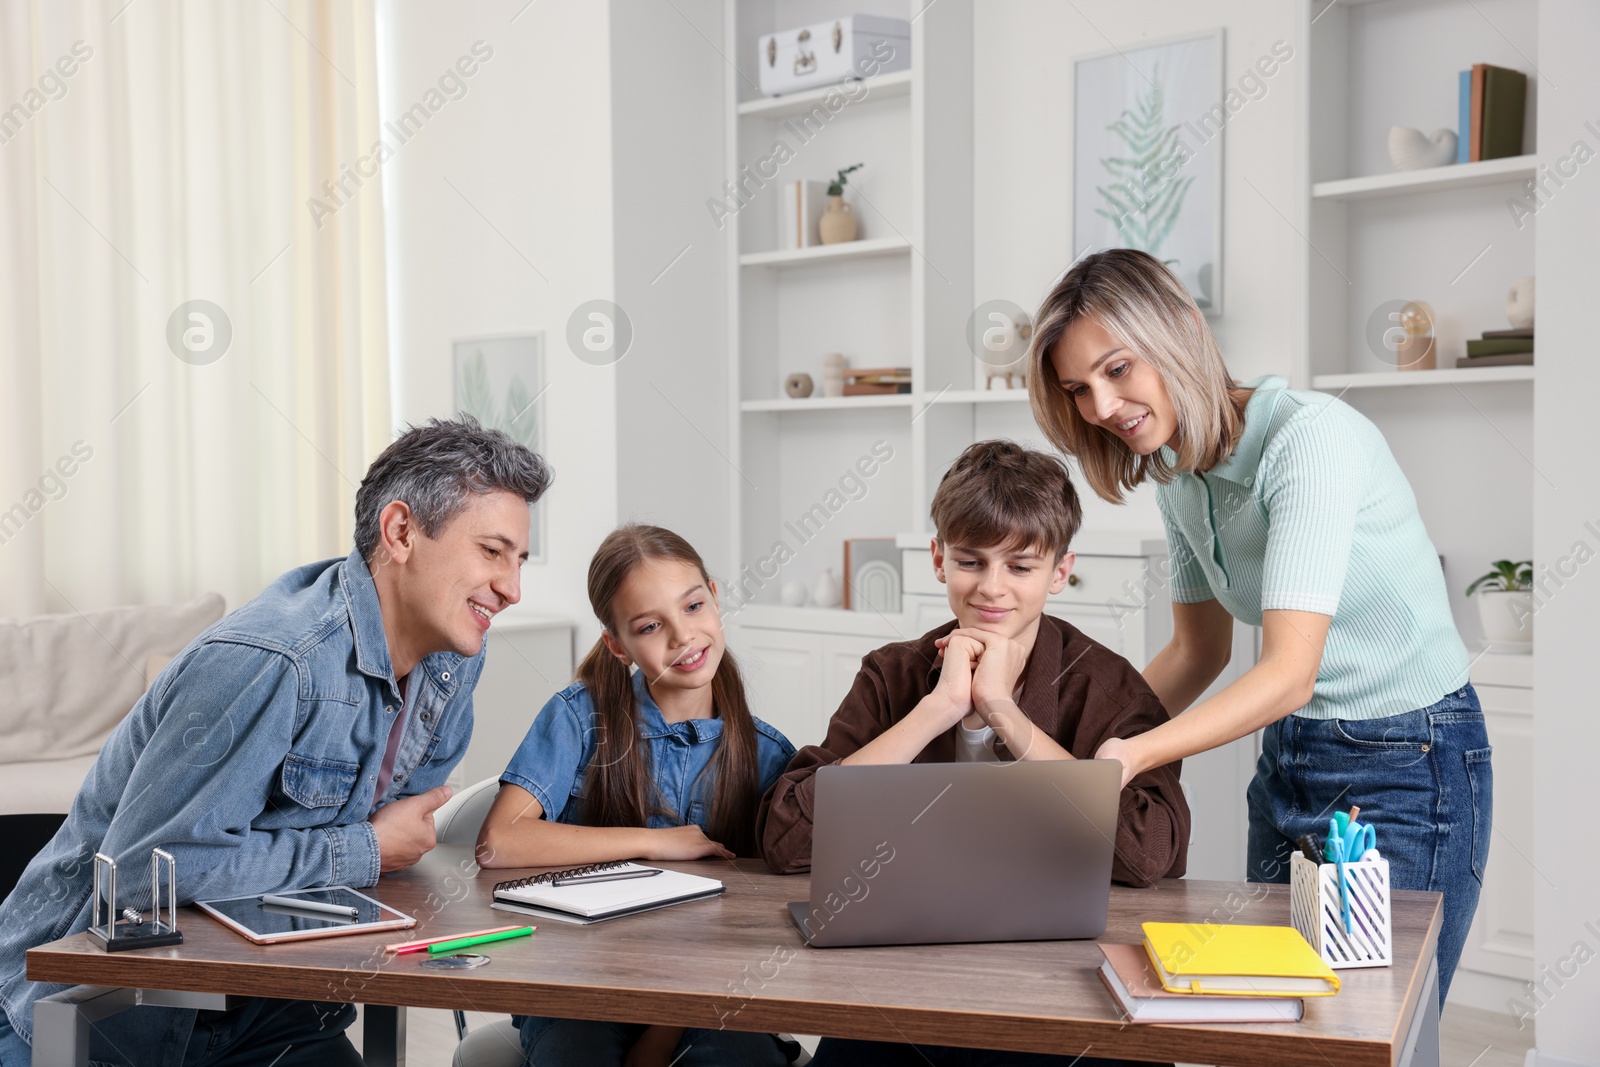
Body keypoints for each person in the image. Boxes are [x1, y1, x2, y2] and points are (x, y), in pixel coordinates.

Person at [0, 415, 552, 1066]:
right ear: (401, 531)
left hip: (272, 1006)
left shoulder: (452, 660)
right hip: (108, 1014)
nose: (513, 589)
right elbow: (146, 872)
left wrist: (376, 848)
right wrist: (364, 848)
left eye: (518, 559)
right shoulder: (273, 661)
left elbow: (401, 833)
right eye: (492, 552)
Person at [1029, 247, 1491, 1002]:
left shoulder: (1310, 440)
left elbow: (1287, 672)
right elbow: (1195, 651)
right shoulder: (1179, 478)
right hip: (1290, 755)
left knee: (1371, 1026)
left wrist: (1121, 759)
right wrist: (1073, 753)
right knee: (1271, 1015)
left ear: (1179, 328)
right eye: (1079, 389)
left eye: (1117, 370)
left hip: (1410, 761)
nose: (1102, 407)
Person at [759, 440, 1189, 1067]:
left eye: (1021, 567)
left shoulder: (1110, 684)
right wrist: (937, 707)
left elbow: (1147, 853)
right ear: (938, 560)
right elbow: (787, 837)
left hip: (1063, 976)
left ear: (1060, 572)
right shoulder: (892, 674)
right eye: (970, 561)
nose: (992, 589)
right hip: (905, 967)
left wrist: (1005, 714)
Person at [477, 524, 799, 1067]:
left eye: (694, 606)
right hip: (578, 982)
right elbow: (498, 844)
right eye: (650, 626)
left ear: (715, 599)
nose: (683, 637)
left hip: (714, 991)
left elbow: (778, 920)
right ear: (617, 645)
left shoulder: (767, 753)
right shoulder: (578, 719)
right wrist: (655, 843)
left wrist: (660, 1039)